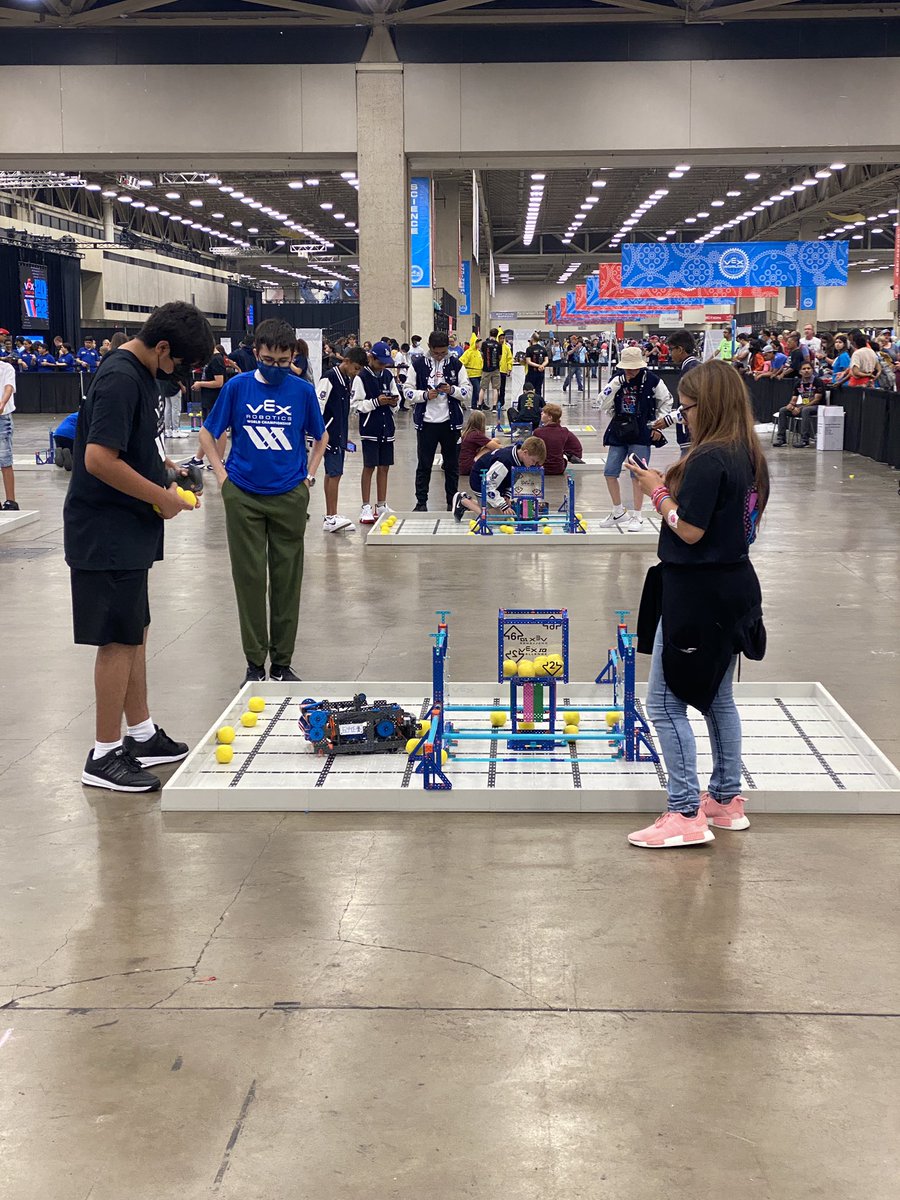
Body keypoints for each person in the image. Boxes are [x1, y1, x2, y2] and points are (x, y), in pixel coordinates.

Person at [64, 301, 215, 792]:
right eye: (179, 365)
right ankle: (104, 753)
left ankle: (141, 733)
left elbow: (133, 444)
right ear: (163, 346)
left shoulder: (143, 376)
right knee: (116, 640)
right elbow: (98, 460)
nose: (180, 376)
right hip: (105, 532)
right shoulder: (121, 378)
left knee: (136, 631)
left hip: (129, 530)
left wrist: (164, 470)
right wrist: (162, 498)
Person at [624, 360, 769, 849]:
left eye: (686, 408)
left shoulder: (711, 458)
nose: (681, 416)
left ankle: (685, 811)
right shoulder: (747, 453)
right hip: (732, 588)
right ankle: (725, 800)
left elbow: (688, 528)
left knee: (664, 704)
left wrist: (657, 491)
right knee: (716, 697)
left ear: (706, 406)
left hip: (698, 595)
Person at [199, 318, 328, 686]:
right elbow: (209, 433)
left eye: (283, 362)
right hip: (243, 495)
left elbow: (321, 436)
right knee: (250, 580)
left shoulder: (301, 391)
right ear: (256, 353)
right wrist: (223, 478)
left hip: (288, 495)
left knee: (288, 581)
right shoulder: (238, 388)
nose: (275, 368)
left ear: (293, 358)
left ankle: (282, 665)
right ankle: (255, 665)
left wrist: (309, 476)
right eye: (268, 360)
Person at [599, 345, 672, 532]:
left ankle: (637, 515)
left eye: (634, 367)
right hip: (619, 430)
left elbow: (666, 401)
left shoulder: (653, 380)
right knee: (610, 471)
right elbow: (602, 402)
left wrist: (658, 424)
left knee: (638, 474)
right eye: (627, 367)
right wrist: (617, 384)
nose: (630, 371)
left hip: (641, 431)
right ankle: (617, 511)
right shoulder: (617, 380)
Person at [405, 330, 470, 512]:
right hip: (426, 423)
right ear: (430, 348)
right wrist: (424, 395)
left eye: (443, 352)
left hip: (450, 423)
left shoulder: (457, 365)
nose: (440, 356)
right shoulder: (417, 365)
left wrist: (452, 390)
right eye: (436, 353)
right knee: (424, 465)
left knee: (451, 466)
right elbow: (407, 391)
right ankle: (421, 502)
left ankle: (452, 501)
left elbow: (467, 391)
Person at [315, 345, 367, 532]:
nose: (356, 372)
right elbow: (318, 405)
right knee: (334, 473)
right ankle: (331, 516)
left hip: (339, 434)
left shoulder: (346, 379)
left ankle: (331, 514)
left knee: (333, 473)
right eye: (356, 368)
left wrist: (345, 437)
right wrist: (320, 433)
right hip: (328, 434)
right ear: (346, 361)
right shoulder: (329, 378)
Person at [351, 340, 400, 524]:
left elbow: (397, 396)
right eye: (380, 362)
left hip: (387, 426)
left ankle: (381, 504)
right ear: (371, 358)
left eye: (385, 363)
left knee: (385, 466)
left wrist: (394, 402)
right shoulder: (361, 377)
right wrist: (376, 402)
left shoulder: (387, 375)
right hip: (370, 428)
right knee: (369, 466)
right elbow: (356, 405)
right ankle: (365, 505)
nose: (383, 366)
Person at [452, 436, 548, 521]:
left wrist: (506, 496)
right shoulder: (505, 461)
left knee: (506, 514)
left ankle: (471, 501)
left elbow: (511, 480)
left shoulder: (519, 458)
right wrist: (503, 505)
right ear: (525, 452)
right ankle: (463, 501)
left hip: (496, 483)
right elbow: (488, 486)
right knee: (496, 518)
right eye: (533, 461)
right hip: (480, 482)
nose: (533, 465)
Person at [650, 329, 699, 457]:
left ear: (680, 349)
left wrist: (670, 419)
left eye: (671, 349)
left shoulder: (692, 370)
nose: (670, 353)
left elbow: (696, 403)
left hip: (693, 436)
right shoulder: (690, 367)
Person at [773, 360, 826, 447]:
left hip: (817, 406)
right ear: (800, 372)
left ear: (812, 370)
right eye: (804, 369)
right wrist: (791, 406)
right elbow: (794, 400)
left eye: (808, 368)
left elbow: (816, 400)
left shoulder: (817, 381)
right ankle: (781, 439)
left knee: (805, 410)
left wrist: (800, 408)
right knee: (783, 410)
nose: (806, 370)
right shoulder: (798, 383)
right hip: (804, 406)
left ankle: (805, 440)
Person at [534, 403, 584, 474]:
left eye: (544, 412)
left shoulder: (537, 432)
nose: (541, 413)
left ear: (550, 417)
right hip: (559, 468)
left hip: (541, 468)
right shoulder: (564, 431)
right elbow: (577, 448)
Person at [458, 408, 501, 476]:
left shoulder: (466, 433)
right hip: (469, 466)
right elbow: (497, 447)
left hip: (461, 465)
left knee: (493, 441)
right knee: (490, 446)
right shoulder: (476, 434)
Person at [0, 352, 18, 511]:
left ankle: (11, 501)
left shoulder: (6, 368)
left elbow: (9, 387)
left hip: (2, 417)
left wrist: (2, 403)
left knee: (5, 459)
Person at [480, 328, 502, 413]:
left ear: (490, 334)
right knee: (495, 388)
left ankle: (479, 405)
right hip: (495, 368)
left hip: (486, 369)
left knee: (483, 388)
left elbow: (482, 355)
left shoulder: (484, 344)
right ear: (497, 335)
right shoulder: (498, 345)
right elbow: (500, 357)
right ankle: (494, 407)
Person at [460, 336, 483, 412]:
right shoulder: (468, 352)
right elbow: (461, 361)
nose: (479, 344)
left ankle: (474, 404)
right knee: (477, 388)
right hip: (472, 374)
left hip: (479, 373)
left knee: (476, 389)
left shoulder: (478, 352)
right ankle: (474, 404)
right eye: (477, 343)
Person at [498, 330, 514, 411]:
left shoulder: (507, 348)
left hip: (503, 371)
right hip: (495, 370)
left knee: (502, 388)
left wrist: (509, 369)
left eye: (503, 338)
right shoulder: (495, 347)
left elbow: (509, 359)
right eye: (500, 338)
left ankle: (501, 403)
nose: (502, 340)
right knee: (496, 388)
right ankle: (496, 403)